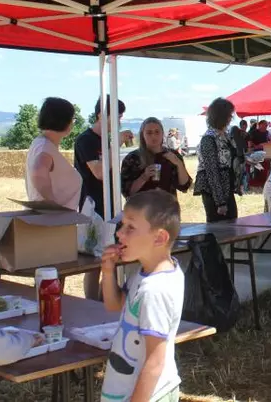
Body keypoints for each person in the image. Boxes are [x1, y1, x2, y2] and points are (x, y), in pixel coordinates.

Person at [100, 190, 184, 402]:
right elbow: (115, 305)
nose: (119, 233)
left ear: (159, 238)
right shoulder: (146, 273)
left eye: (130, 227)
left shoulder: (155, 290)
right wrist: (108, 272)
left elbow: (155, 361)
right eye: (122, 225)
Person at [74, 96, 133, 300]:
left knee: (112, 255)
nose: (118, 122)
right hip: (93, 207)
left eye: (120, 117)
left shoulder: (104, 141)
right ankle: (91, 304)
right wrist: (115, 146)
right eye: (115, 117)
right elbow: (98, 172)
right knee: (93, 263)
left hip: (111, 205)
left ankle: (105, 300)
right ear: (101, 115)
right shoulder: (85, 140)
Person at [26, 97, 82, 211]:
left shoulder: (41, 143)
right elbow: (38, 172)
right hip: (51, 219)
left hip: (51, 217)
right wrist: (51, 204)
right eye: (72, 119)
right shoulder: (45, 148)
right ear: (65, 121)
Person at [121, 118, 192, 199]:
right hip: (141, 209)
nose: (153, 136)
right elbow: (127, 192)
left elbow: (184, 185)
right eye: (149, 132)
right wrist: (144, 177)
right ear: (142, 135)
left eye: (157, 132)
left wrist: (179, 164)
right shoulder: (132, 158)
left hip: (168, 208)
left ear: (162, 134)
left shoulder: (172, 155)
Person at [194, 98, 238, 222]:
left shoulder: (225, 136)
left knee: (233, 225)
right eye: (229, 115)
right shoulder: (208, 139)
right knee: (219, 230)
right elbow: (211, 172)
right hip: (214, 191)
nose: (231, 118)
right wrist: (220, 202)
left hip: (226, 187)